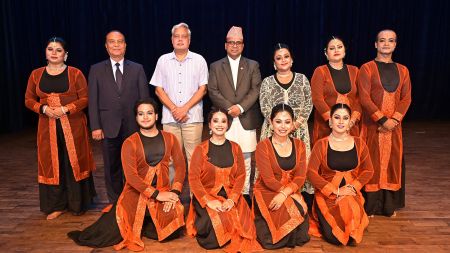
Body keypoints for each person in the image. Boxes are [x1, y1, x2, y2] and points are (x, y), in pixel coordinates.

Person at [68, 98, 186, 252]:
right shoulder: (130, 143)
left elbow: (181, 166)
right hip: (136, 195)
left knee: (173, 231)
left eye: (149, 113)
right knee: (107, 236)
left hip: (164, 191)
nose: (145, 117)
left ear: (156, 116)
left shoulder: (170, 138)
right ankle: (138, 218)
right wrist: (157, 195)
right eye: (141, 114)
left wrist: (174, 192)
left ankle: (146, 220)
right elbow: (131, 177)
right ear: (136, 118)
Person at [24, 37, 96, 220]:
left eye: (58, 50)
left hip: (73, 125)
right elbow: (28, 99)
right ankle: (56, 205)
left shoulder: (75, 73)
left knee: (73, 161)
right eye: (50, 49)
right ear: (45, 52)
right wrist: (44, 108)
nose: (54, 53)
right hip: (47, 127)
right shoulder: (35, 74)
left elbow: (85, 98)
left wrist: (65, 109)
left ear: (66, 54)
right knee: (52, 163)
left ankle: (77, 204)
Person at [186, 108, 262, 252]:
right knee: (212, 236)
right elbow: (194, 178)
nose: (219, 124)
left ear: (228, 125)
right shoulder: (200, 149)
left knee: (245, 224)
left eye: (223, 121)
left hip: (230, 196)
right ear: (209, 125)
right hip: (207, 197)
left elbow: (240, 176)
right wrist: (209, 201)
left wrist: (232, 199)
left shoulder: (236, 148)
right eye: (215, 121)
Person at [88, 30, 149, 206]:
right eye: (112, 42)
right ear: (106, 46)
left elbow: (144, 99)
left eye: (120, 41)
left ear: (125, 46)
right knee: (112, 166)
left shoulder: (137, 68)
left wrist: (145, 125)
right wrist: (95, 126)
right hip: (108, 126)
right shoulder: (96, 69)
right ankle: (116, 202)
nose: (116, 45)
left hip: (133, 126)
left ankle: (133, 199)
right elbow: (93, 100)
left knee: (134, 166)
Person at [357, 29, 412, 217]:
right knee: (371, 162)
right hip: (372, 126)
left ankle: (388, 207)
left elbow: (406, 99)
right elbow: (364, 98)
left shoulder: (403, 70)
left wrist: (393, 120)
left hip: (394, 128)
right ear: (376, 44)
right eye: (382, 40)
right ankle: (370, 207)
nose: (386, 44)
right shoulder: (367, 68)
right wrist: (381, 119)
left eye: (390, 41)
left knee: (392, 162)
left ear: (395, 44)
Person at [208, 26, 263, 203]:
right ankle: (225, 191)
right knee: (225, 157)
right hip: (225, 119)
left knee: (246, 159)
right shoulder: (215, 66)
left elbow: (256, 89)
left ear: (243, 45)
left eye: (238, 43)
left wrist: (241, 107)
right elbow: (213, 91)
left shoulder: (253, 65)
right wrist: (229, 108)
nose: (234, 46)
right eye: (231, 43)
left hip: (245, 118)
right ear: (225, 45)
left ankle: (245, 194)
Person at [307, 103, 374, 246]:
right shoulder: (321, 144)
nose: (341, 122)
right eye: (337, 117)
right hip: (328, 195)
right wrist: (336, 191)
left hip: (351, 192)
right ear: (330, 121)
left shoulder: (359, 143)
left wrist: (352, 188)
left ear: (350, 122)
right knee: (334, 237)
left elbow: (369, 170)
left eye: (345, 118)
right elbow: (311, 173)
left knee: (350, 216)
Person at [259, 43, 314, 206]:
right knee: (273, 167)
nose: (283, 60)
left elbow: (309, 104)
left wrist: (295, 124)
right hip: (273, 131)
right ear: (273, 63)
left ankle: (301, 201)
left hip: (299, 130)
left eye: (286, 57)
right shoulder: (267, 82)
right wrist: (280, 126)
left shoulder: (302, 79)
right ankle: (274, 198)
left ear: (292, 60)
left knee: (300, 167)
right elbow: (265, 106)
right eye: (278, 58)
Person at [150, 22, 208, 176]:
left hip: (193, 117)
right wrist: (175, 109)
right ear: (172, 39)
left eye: (184, 36)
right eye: (177, 36)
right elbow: (158, 89)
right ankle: (172, 197)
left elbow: (202, 89)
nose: (180, 39)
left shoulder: (199, 60)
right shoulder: (163, 60)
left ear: (189, 40)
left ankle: (194, 198)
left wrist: (184, 109)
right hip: (170, 118)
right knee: (170, 159)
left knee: (194, 159)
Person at [253, 104, 310, 249]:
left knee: (301, 237)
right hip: (267, 190)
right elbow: (269, 180)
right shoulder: (263, 146)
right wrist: (292, 195)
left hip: (289, 190)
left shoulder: (300, 145)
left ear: (292, 124)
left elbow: (300, 177)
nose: (283, 126)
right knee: (269, 240)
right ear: (271, 123)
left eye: (287, 121)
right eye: (278, 121)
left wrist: (286, 194)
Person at [311, 36, 362, 144]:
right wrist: (333, 121)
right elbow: (317, 99)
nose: (336, 50)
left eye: (339, 47)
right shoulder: (320, 71)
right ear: (326, 53)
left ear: (344, 51)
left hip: (350, 126)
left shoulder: (355, 71)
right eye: (332, 48)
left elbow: (359, 98)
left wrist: (352, 120)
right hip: (326, 126)